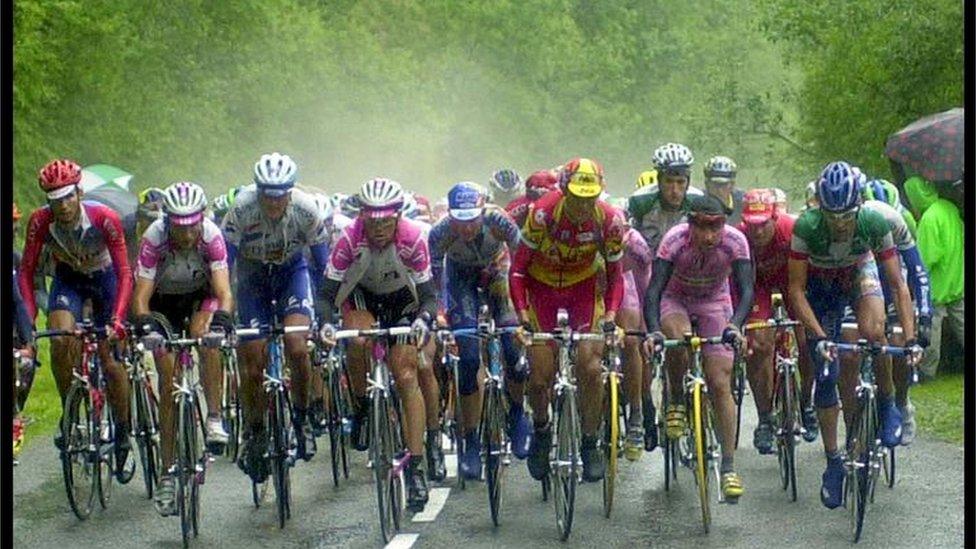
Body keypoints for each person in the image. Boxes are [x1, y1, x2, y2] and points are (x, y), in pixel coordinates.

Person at [788, 161, 916, 510]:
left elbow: (897, 285)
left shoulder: (874, 220)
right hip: (821, 287)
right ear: (821, 208)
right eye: (832, 216)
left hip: (860, 272)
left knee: (877, 334)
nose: (840, 224)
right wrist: (818, 337)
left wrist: (912, 338)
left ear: (858, 206)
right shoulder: (807, 227)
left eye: (846, 216)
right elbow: (796, 291)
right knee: (826, 374)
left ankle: (888, 403)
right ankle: (833, 461)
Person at [319, 178, 436, 512]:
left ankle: (416, 466)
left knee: (406, 374)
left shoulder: (414, 237)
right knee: (356, 337)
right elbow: (327, 294)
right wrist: (326, 322)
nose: (380, 226)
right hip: (362, 298)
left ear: (398, 216)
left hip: (402, 301)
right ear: (363, 218)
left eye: (387, 219)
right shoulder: (348, 239)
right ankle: (361, 407)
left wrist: (424, 319)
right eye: (373, 220)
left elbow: (428, 295)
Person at [509, 157, 626, 483]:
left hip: (583, 291)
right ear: (564, 191)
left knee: (590, 367)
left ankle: (590, 442)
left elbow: (616, 276)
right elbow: (517, 270)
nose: (582, 206)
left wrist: (612, 317)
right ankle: (543, 430)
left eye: (589, 198)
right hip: (540, 290)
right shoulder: (543, 212)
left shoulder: (610, 220)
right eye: (576, 198)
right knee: (539, 377)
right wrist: (522, 316)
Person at [18, 158, 133, 472]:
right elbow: (26, 273)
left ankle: (122, 430)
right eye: (55, 200)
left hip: (107, 279)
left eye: (68, 197)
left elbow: (125, 271)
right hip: (69, 280)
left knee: (111, 362)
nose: (63, 206)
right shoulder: (40, 222)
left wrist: (119, 319)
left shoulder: (104, 218)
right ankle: (69, 411)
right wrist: (27, 322)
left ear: (79, 192)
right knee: (59, 339)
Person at [220, 152, 330, 481]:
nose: (273, 203)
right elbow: (223, 264)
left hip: (291, 274)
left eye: (280, 195)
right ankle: (254, 432)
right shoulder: (240, 208)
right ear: (258, 191)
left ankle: (301, 417)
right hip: (252, 280)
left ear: (290, 192)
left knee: (297, 345)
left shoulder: (307, 209)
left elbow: (324, 267)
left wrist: (326, 310)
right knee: (252, 362)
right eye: (267, 195)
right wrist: (224, 308)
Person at [130, 181, 235, 515]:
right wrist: (145, 324)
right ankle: (167, 473)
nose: (187, 233)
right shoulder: (154, 239)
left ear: (201, 218)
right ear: (168, 220)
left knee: (207, 338)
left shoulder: (212, 236)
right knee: (166, 374)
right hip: (163, 302)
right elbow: (141, 297)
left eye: (192, 225)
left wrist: (221, 320)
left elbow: (223, 292)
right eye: (179, 226)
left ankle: (215, 416)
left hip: (200, 298)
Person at [643, 194, 754, 501]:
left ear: (724, 223)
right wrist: (653, 331)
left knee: (720, 382)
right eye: (701, 227)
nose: (708, 235)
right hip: (675, 298)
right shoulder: (674, 240)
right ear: (689, 223)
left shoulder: (736, 242)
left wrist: (735, 325)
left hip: (714, 301)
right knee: (678, 338)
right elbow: (654, 291)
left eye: (715, 226)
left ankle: (729, 467)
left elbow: (746, 292)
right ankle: (676, 398)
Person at [428, 181, 529, 479]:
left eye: (472, 219)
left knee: (512, 346)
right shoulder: (440, 232)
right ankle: (470, 439)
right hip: (461, 281)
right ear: (450, 215)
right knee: (469, 359)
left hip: (498, 272)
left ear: (482, 212)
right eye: (460, 220)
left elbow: (523, 262)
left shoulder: (499, 220)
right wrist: (440, 314)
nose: (467, 228)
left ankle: (517, 412)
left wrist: (526, 306)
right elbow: (434, 282)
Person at [736, 189, 817, 454]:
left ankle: (806, 403)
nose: (757, 232)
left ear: (774, 216)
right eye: (752, 225)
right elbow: (739, 285)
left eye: (763, 225)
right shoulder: (740, 237)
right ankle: (765, 418)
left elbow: (809, 272)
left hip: (791, 281)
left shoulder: (792, 229)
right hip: (756, 286)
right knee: (758, 345)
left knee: (808, 341)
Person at [903, 175, 963, 380]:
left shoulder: (929, 219)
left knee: (931, 333)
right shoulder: (949, 208)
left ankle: (927, 372)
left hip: (936, 286)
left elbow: (925, 259)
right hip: (958, 279)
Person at [627, 143, 704, 255]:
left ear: (688, 183)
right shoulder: (641, 201)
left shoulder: (697, 201)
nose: (675, 190)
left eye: (681, 182)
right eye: (668, 181)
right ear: (659, 181)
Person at [703, 155, 745, 226]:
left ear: (732, 185)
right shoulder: (697, 204)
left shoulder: (743, 203)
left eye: (723, 185)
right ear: (707, 184)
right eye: (715, 184)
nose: (719, 190)